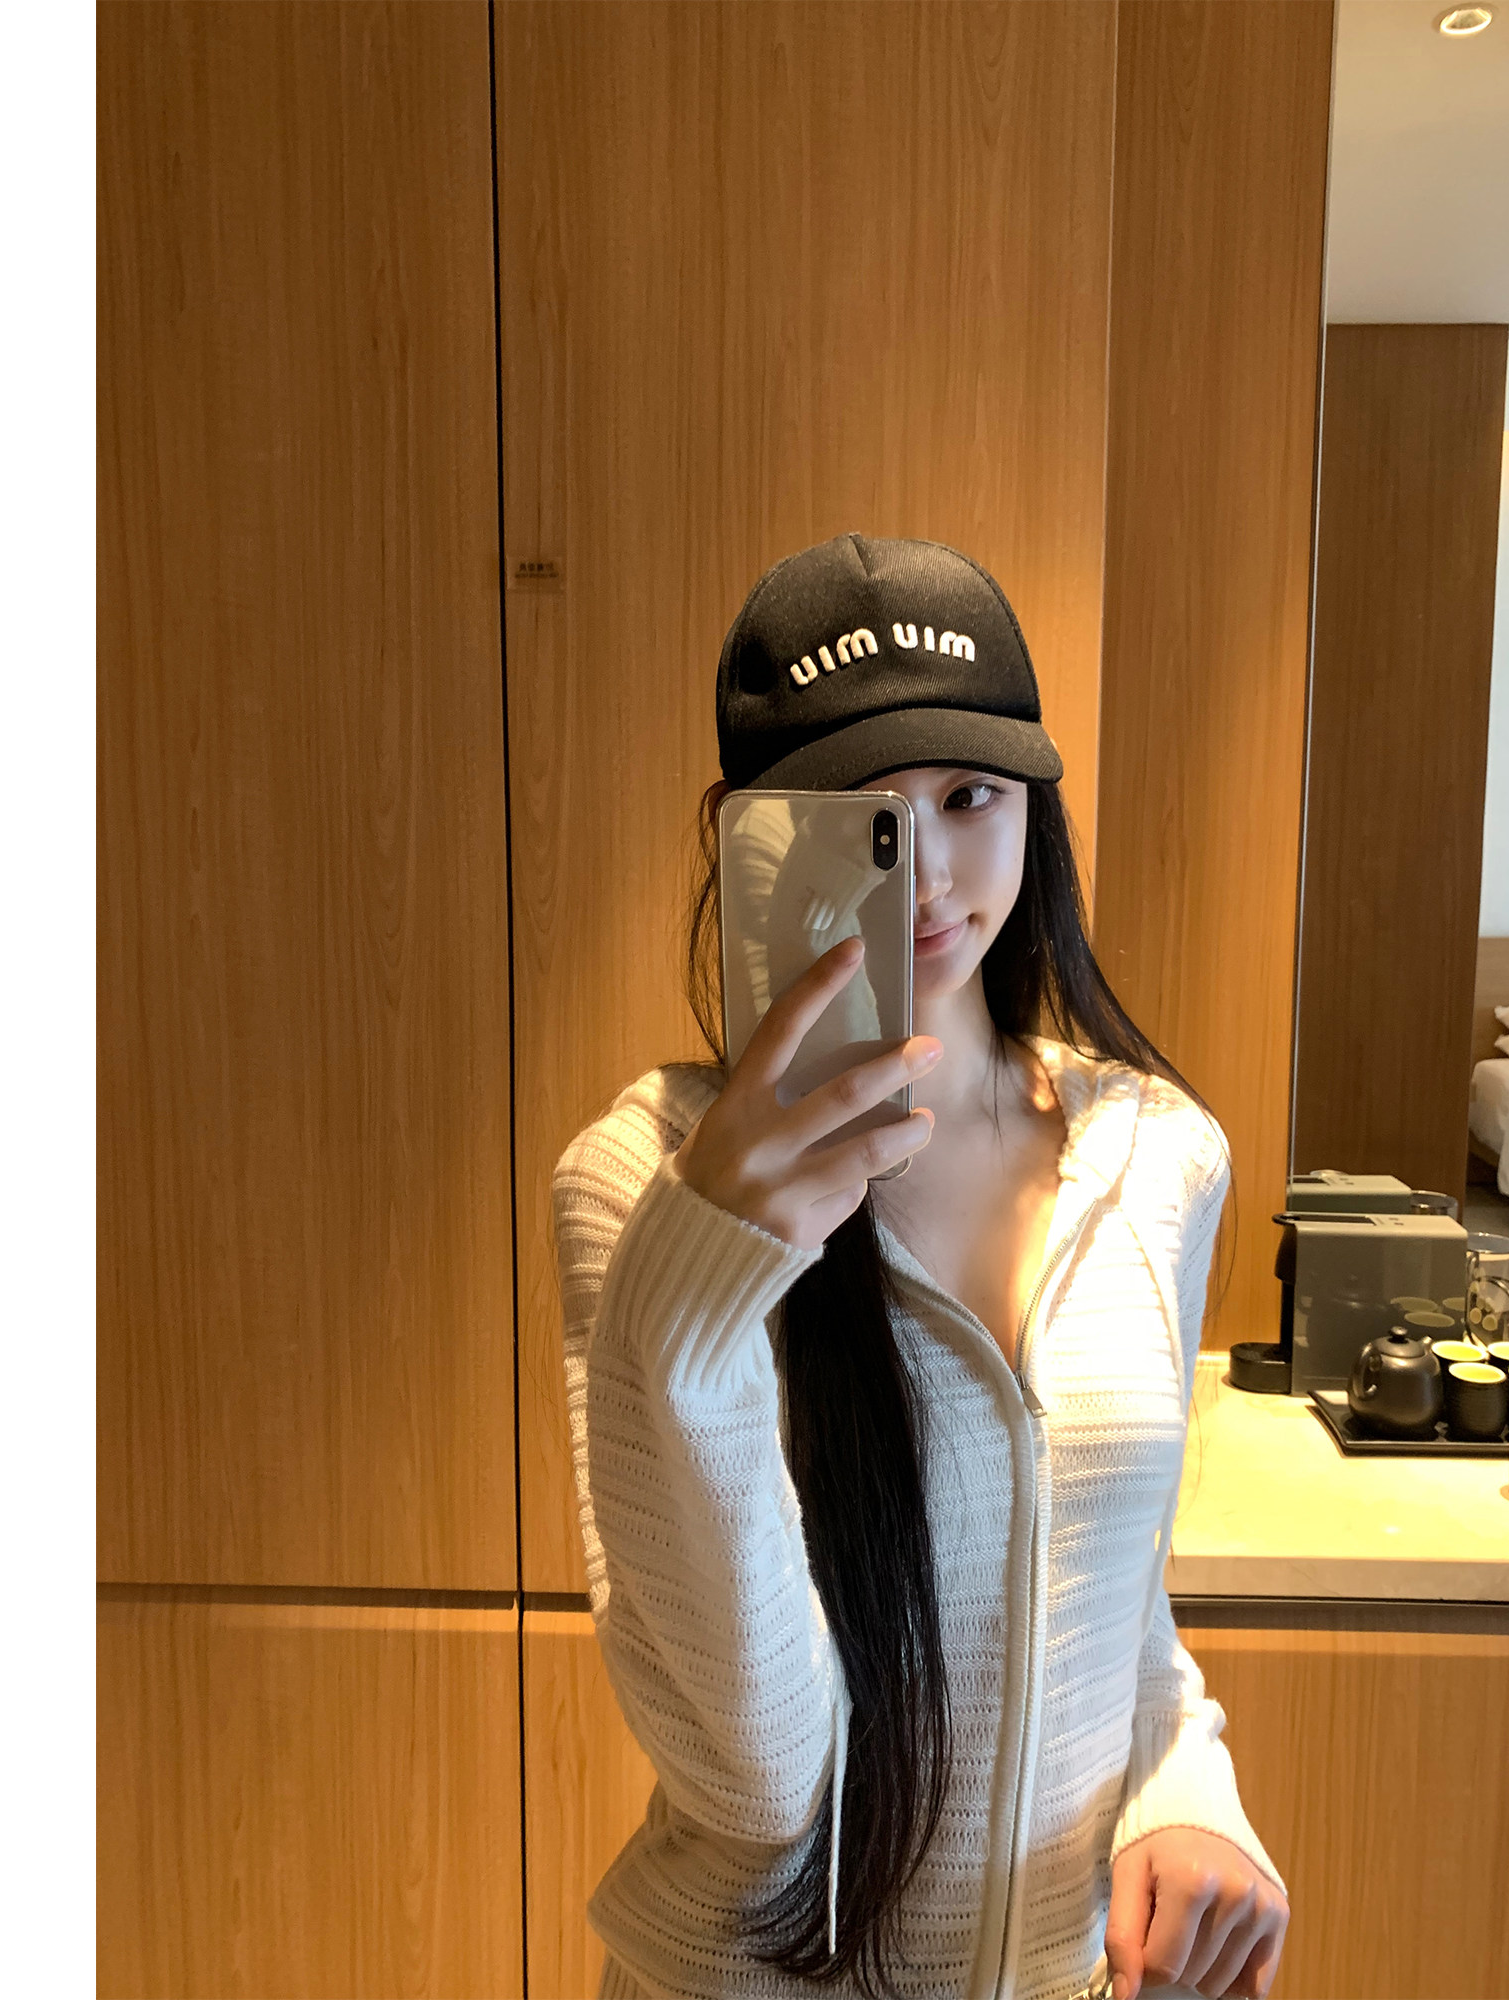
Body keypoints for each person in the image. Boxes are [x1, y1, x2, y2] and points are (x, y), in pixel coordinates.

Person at [551, 534, 1289, 2000]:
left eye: (970, 796)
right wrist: (704, 1289)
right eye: (865, 818)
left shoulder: (1162, 1156)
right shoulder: (638, 1187)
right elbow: (762, 1787)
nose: (933, 872)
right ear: (751, 839)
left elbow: (1109, 1589)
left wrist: (1187, 1787)